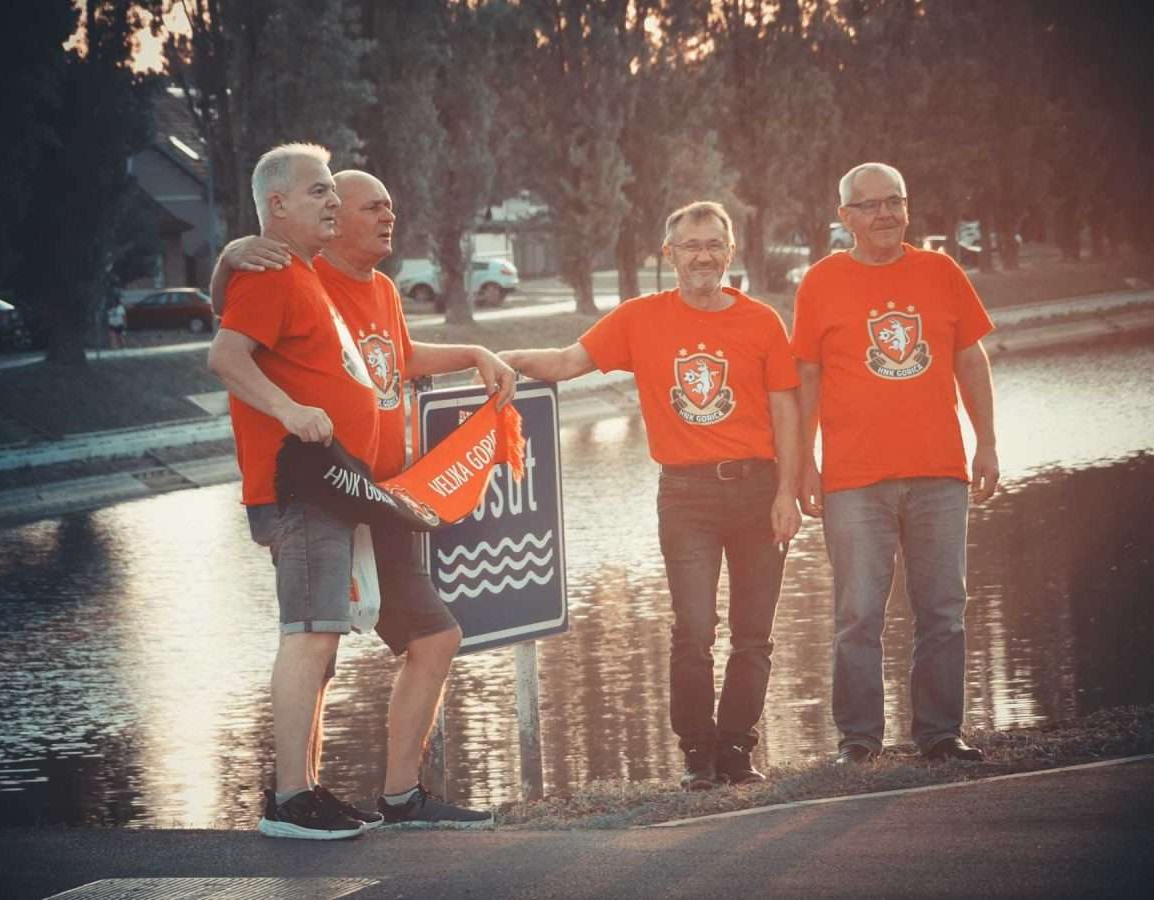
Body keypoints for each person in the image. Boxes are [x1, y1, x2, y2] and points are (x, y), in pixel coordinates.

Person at [210, 168, 514, 829]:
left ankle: (402, 798)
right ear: (335, 219)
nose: (387, 217)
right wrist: (231, 254)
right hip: (317, 486)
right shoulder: (297, 271)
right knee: (315, 642)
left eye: (390, 206)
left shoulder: (381, 289)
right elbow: (230, 328)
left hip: (379, 497)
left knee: (436, 638)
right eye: (371, 206)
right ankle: (295, 797)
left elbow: (397, 359)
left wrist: (473, 351)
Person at [500, 201, 801, 790]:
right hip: (686, 497)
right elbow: (565, 362)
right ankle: (698, 754)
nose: (703, 256)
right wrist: (496, 360)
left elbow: (786, 410)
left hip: (759, 489)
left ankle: (737, 749)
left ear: (730, 252)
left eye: (714, 244)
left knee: (754, 633)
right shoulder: (640, 319)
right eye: (691, 245)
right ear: (669, 254)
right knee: (694, 629)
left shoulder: (763, 321)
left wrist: (787, 491)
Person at [791, 162, 999, 765]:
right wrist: (803, 464)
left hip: (939, 473)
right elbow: (807, 377)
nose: (884, 213)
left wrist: (987, 442)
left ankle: (940, 734)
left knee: (943, 610)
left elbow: (970, 359)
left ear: (907, 207)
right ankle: (859, 741)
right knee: (858, 614)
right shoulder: (821, 282)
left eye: (894, 201)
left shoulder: (941, 271)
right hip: (854, 481)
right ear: (845, 216)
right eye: (870, 204)